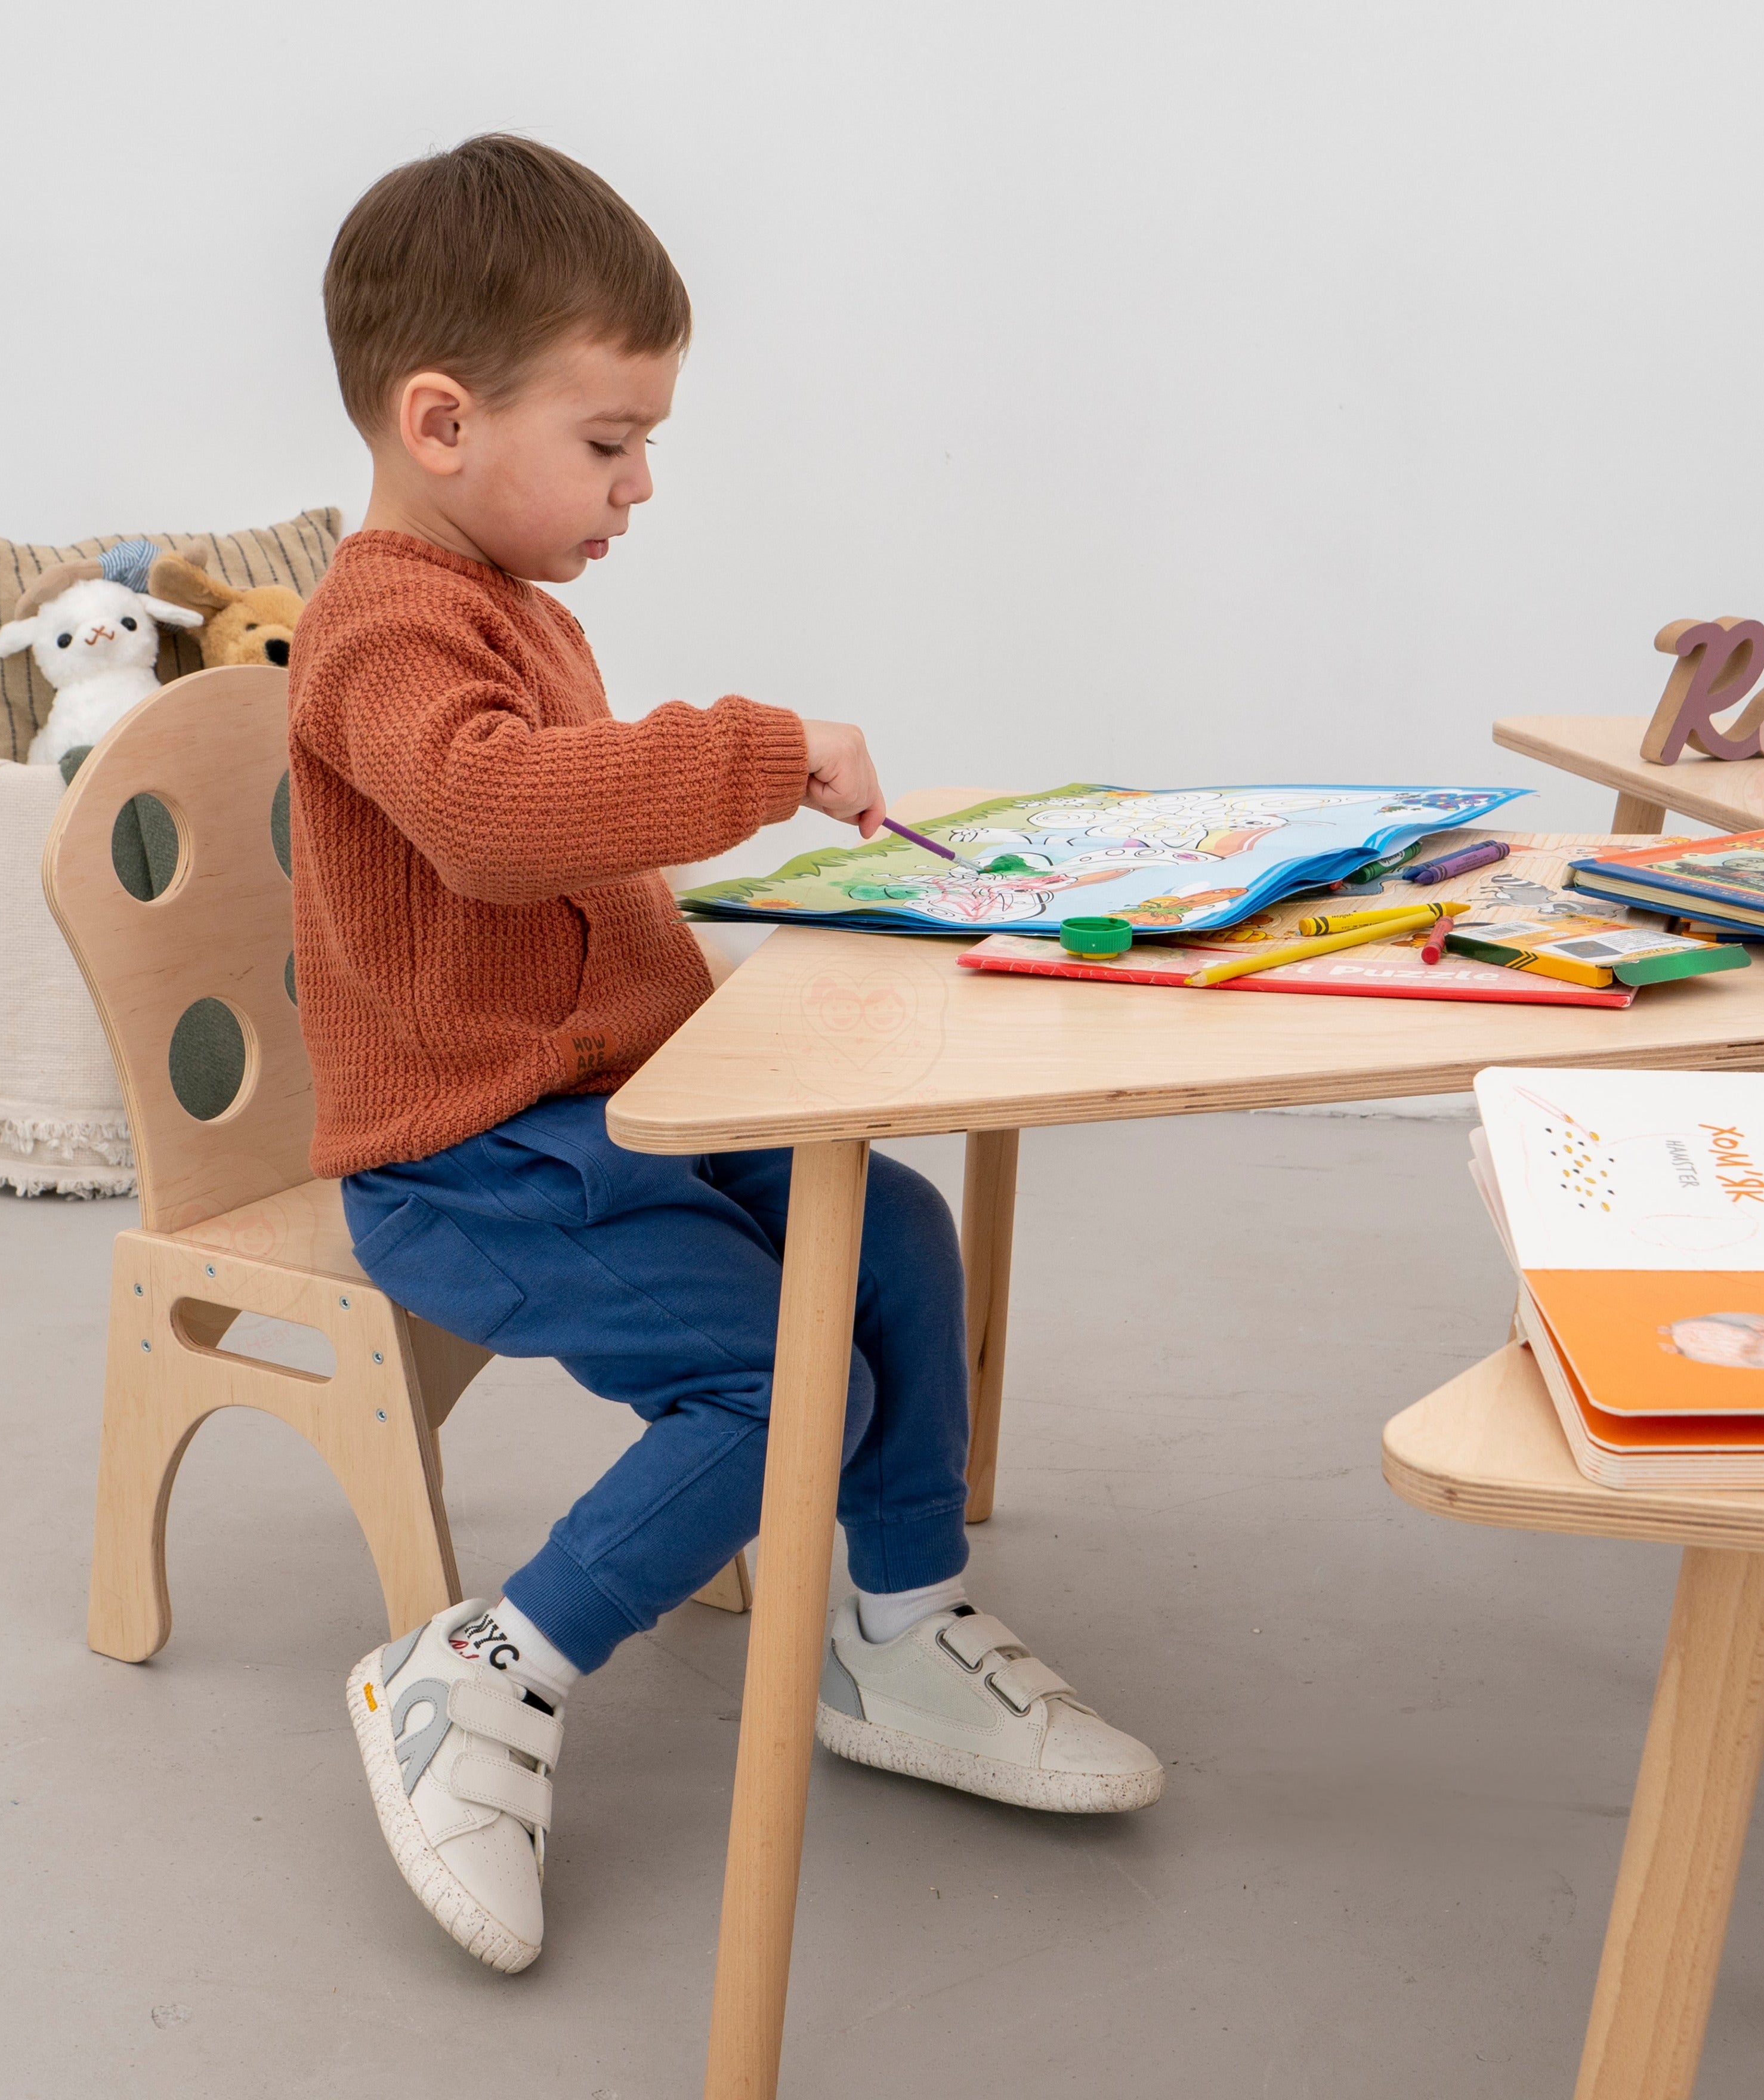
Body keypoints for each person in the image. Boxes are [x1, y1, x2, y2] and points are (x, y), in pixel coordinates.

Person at [294, 134, 1162, 1976]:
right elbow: (490, 816)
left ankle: (898, 1630)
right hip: (472, 1160)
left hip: (612, 1108)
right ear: (440, 423)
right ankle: (479, 1673)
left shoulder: (520, 606)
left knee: (898, 1240)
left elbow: (573, 870)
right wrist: (755, 752)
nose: (642, 485)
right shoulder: (379, 625)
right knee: (784, 1386)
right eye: (611, 443)